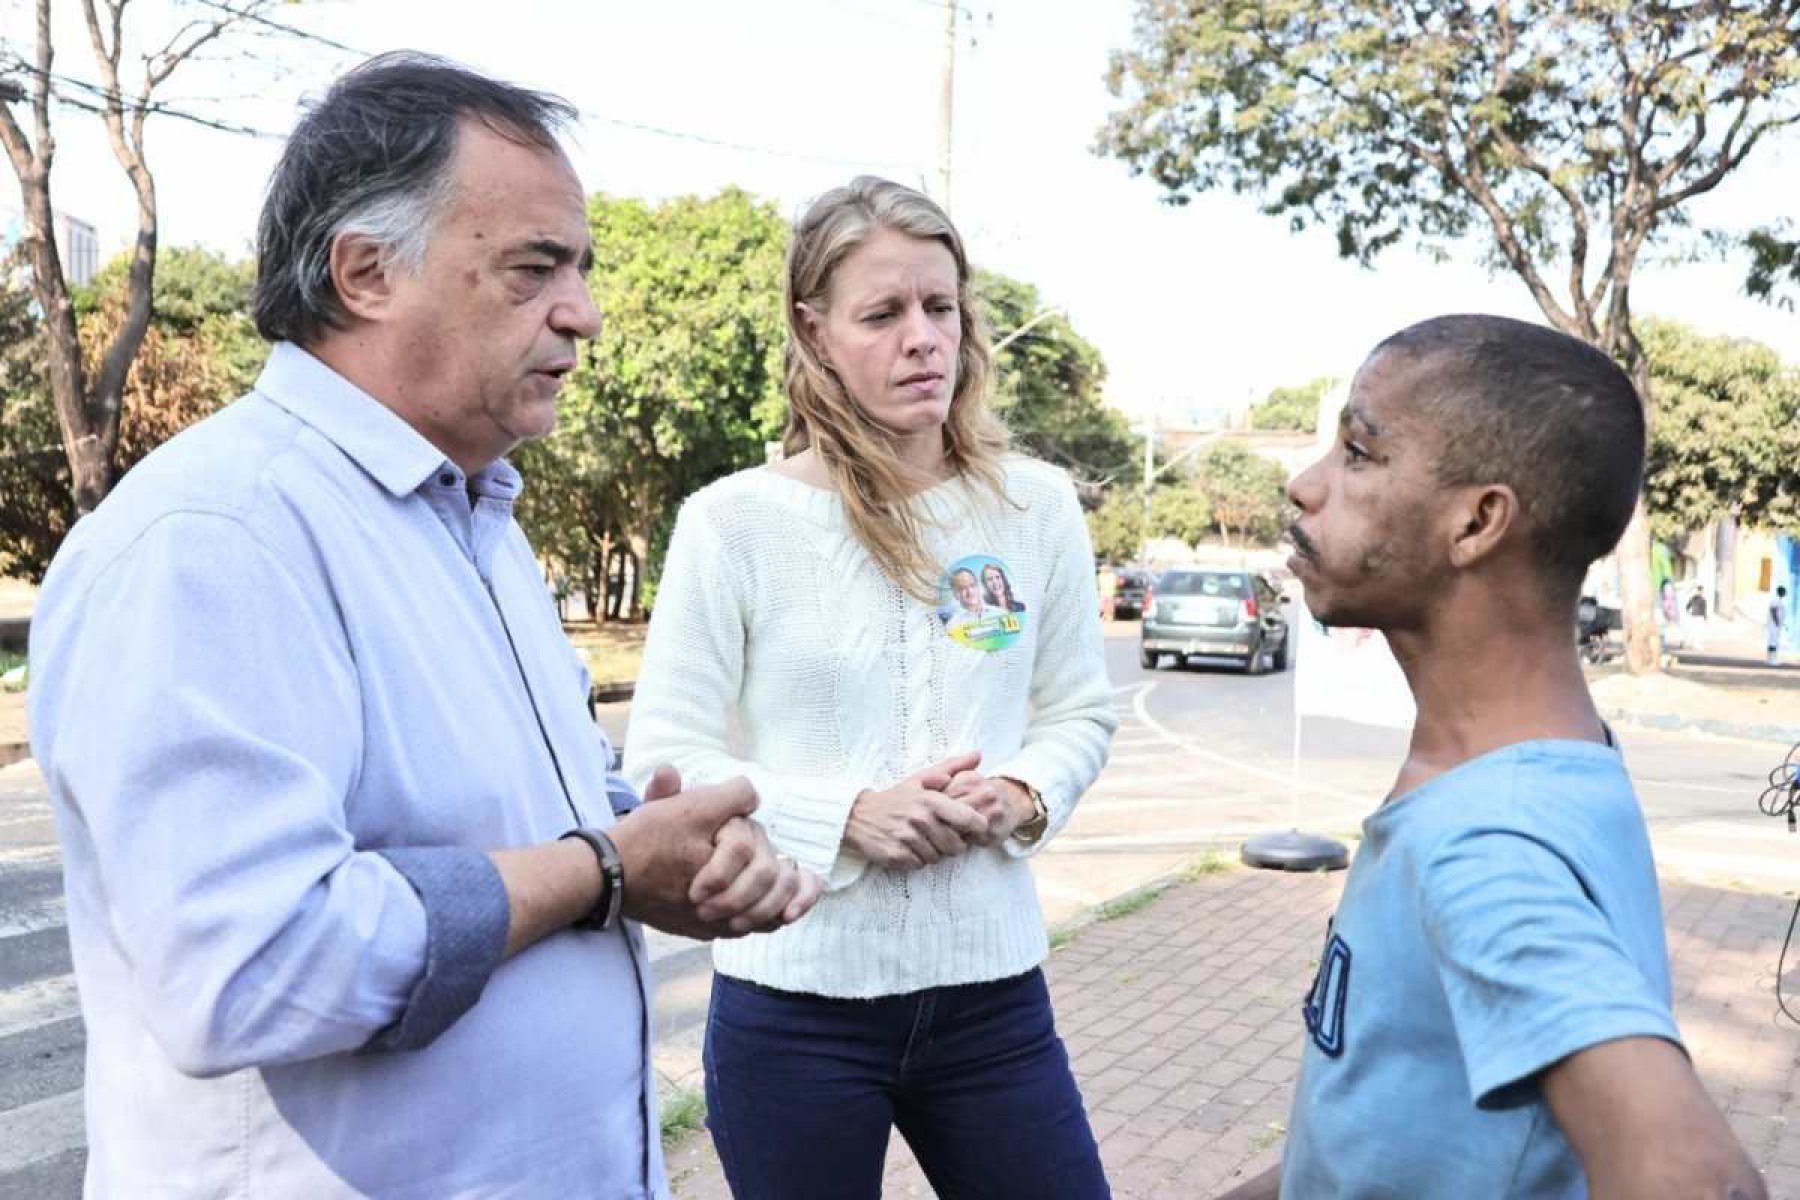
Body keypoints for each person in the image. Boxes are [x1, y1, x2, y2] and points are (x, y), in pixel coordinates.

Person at [26, 53, 820, 1198]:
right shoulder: (217, 535)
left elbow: (513, 807)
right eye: (534, 268)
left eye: (581, 269)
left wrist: (662, 846)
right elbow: (251, 966)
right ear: (364, 273)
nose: (583, 315)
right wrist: (599, 869)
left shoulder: (475, 520)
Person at [623, 175, 1116, 1200]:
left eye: (940, 308)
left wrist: (1022, 794)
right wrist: (844, 814)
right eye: (883, 314)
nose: (923, 339)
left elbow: (1076, 711)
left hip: (992, 1001)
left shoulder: (1036, 508)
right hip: (793, 1003)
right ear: (815, 332)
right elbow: (665, 756)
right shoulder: (733, 521)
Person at [1220, 315, 1763, 1199]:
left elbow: (1697, 1178)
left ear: (1476, 522)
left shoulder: (1486, 841)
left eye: (1358, 453)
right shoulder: (1546, 762)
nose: (1304, 485)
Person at [1771, 585, 1789, 666]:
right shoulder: (1776, 600)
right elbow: (1773, 611)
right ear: (1781, 592)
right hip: (1774, 624)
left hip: (1777, 624)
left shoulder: (1780, 600)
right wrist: (1777, 622)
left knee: (1774, 642)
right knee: (1773, 642)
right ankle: (1772, 660)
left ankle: (1771, 659)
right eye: (1784, 592)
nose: (1785, 593)